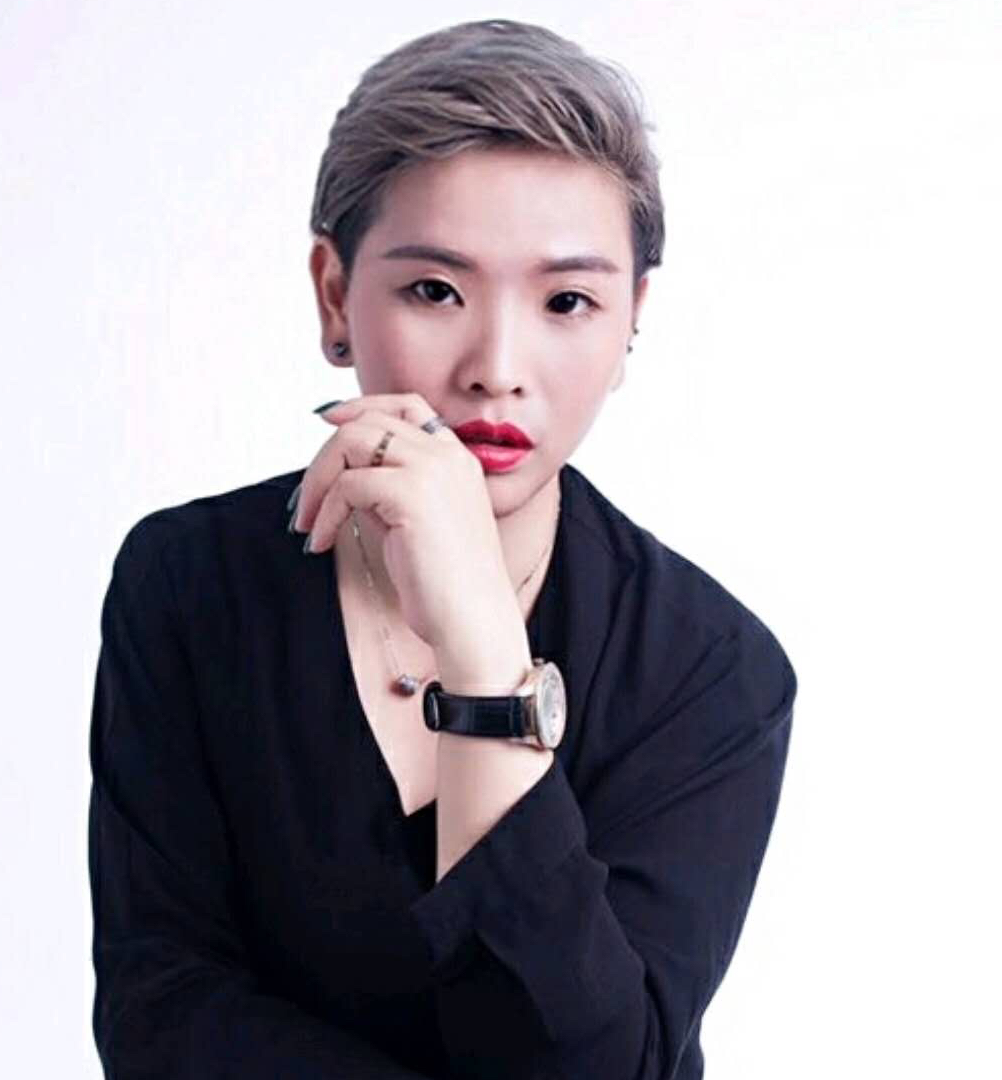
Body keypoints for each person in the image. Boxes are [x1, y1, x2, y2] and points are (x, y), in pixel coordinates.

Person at [87, 17, 797, 1080]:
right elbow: (163, 1015)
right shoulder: (190, 586)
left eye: (568, 301)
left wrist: (482, 657)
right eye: (435, 290)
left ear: (631, 320)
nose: (497, 366)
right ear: (335, 293)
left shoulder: (712, 670)